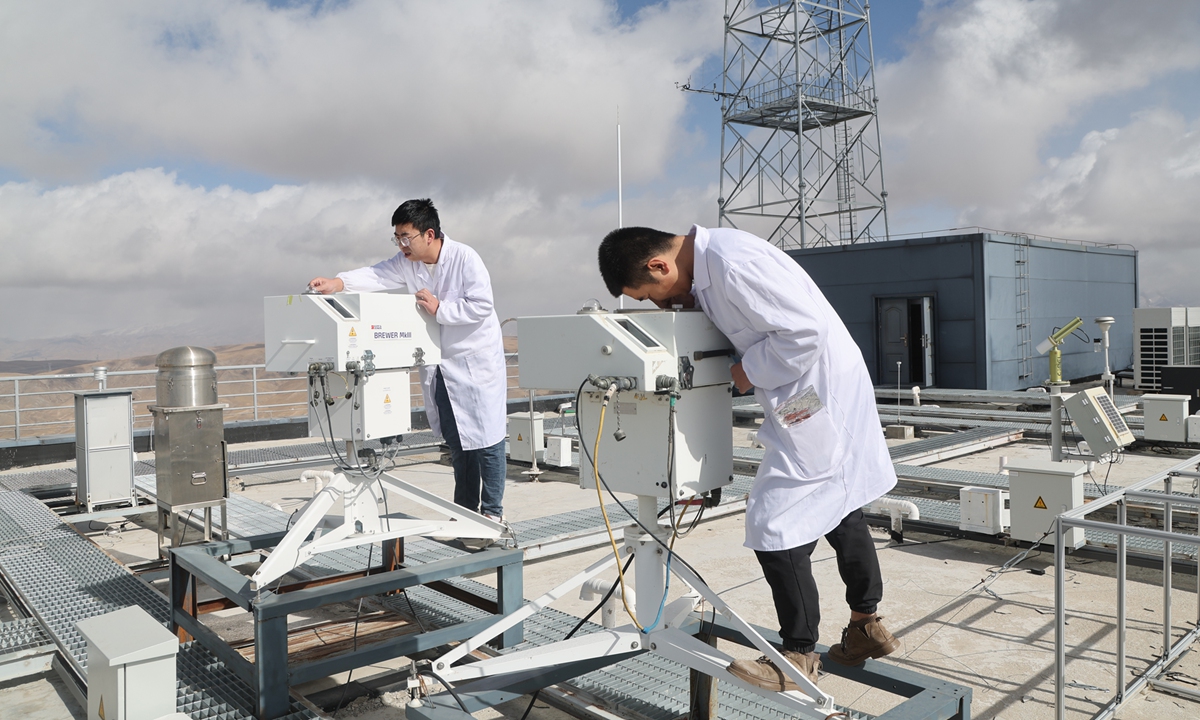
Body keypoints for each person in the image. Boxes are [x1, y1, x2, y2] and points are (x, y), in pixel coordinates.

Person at [596, 224, 899, 690]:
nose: (658, 303)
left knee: (772, 523)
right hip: (817, 393)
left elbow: (804, 332)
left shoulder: (733, 265)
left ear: (658, 265)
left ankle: (797, 656)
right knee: (838, 505)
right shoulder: (712, 267)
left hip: (814, 399)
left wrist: (746, 371)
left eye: (650, 294)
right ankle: (866, 625)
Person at [309, 199, 509, 532]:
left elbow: (482, 305)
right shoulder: (409, 263)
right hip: (441, 366)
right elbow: (376, 274)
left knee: (487, 441)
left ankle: (492, 513)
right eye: (397, 238)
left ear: (429, 234)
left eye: (406, 237)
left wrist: (440, 309)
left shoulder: (465, 258)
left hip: (475, 363)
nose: (401, 245)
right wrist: (338, 283)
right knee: (458, 443)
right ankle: (465, 510)